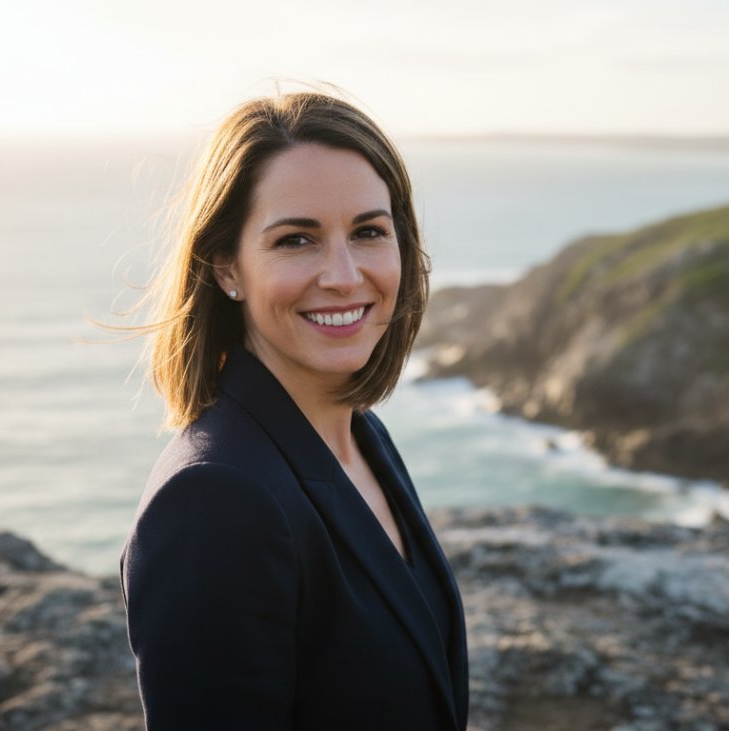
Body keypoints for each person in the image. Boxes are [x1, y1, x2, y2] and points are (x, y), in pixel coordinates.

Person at [119, 91, 470, 730]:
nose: (342, 275)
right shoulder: (213, 501)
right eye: (296, 240)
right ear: (227, 266)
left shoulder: (361, 435)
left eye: (368, 232)